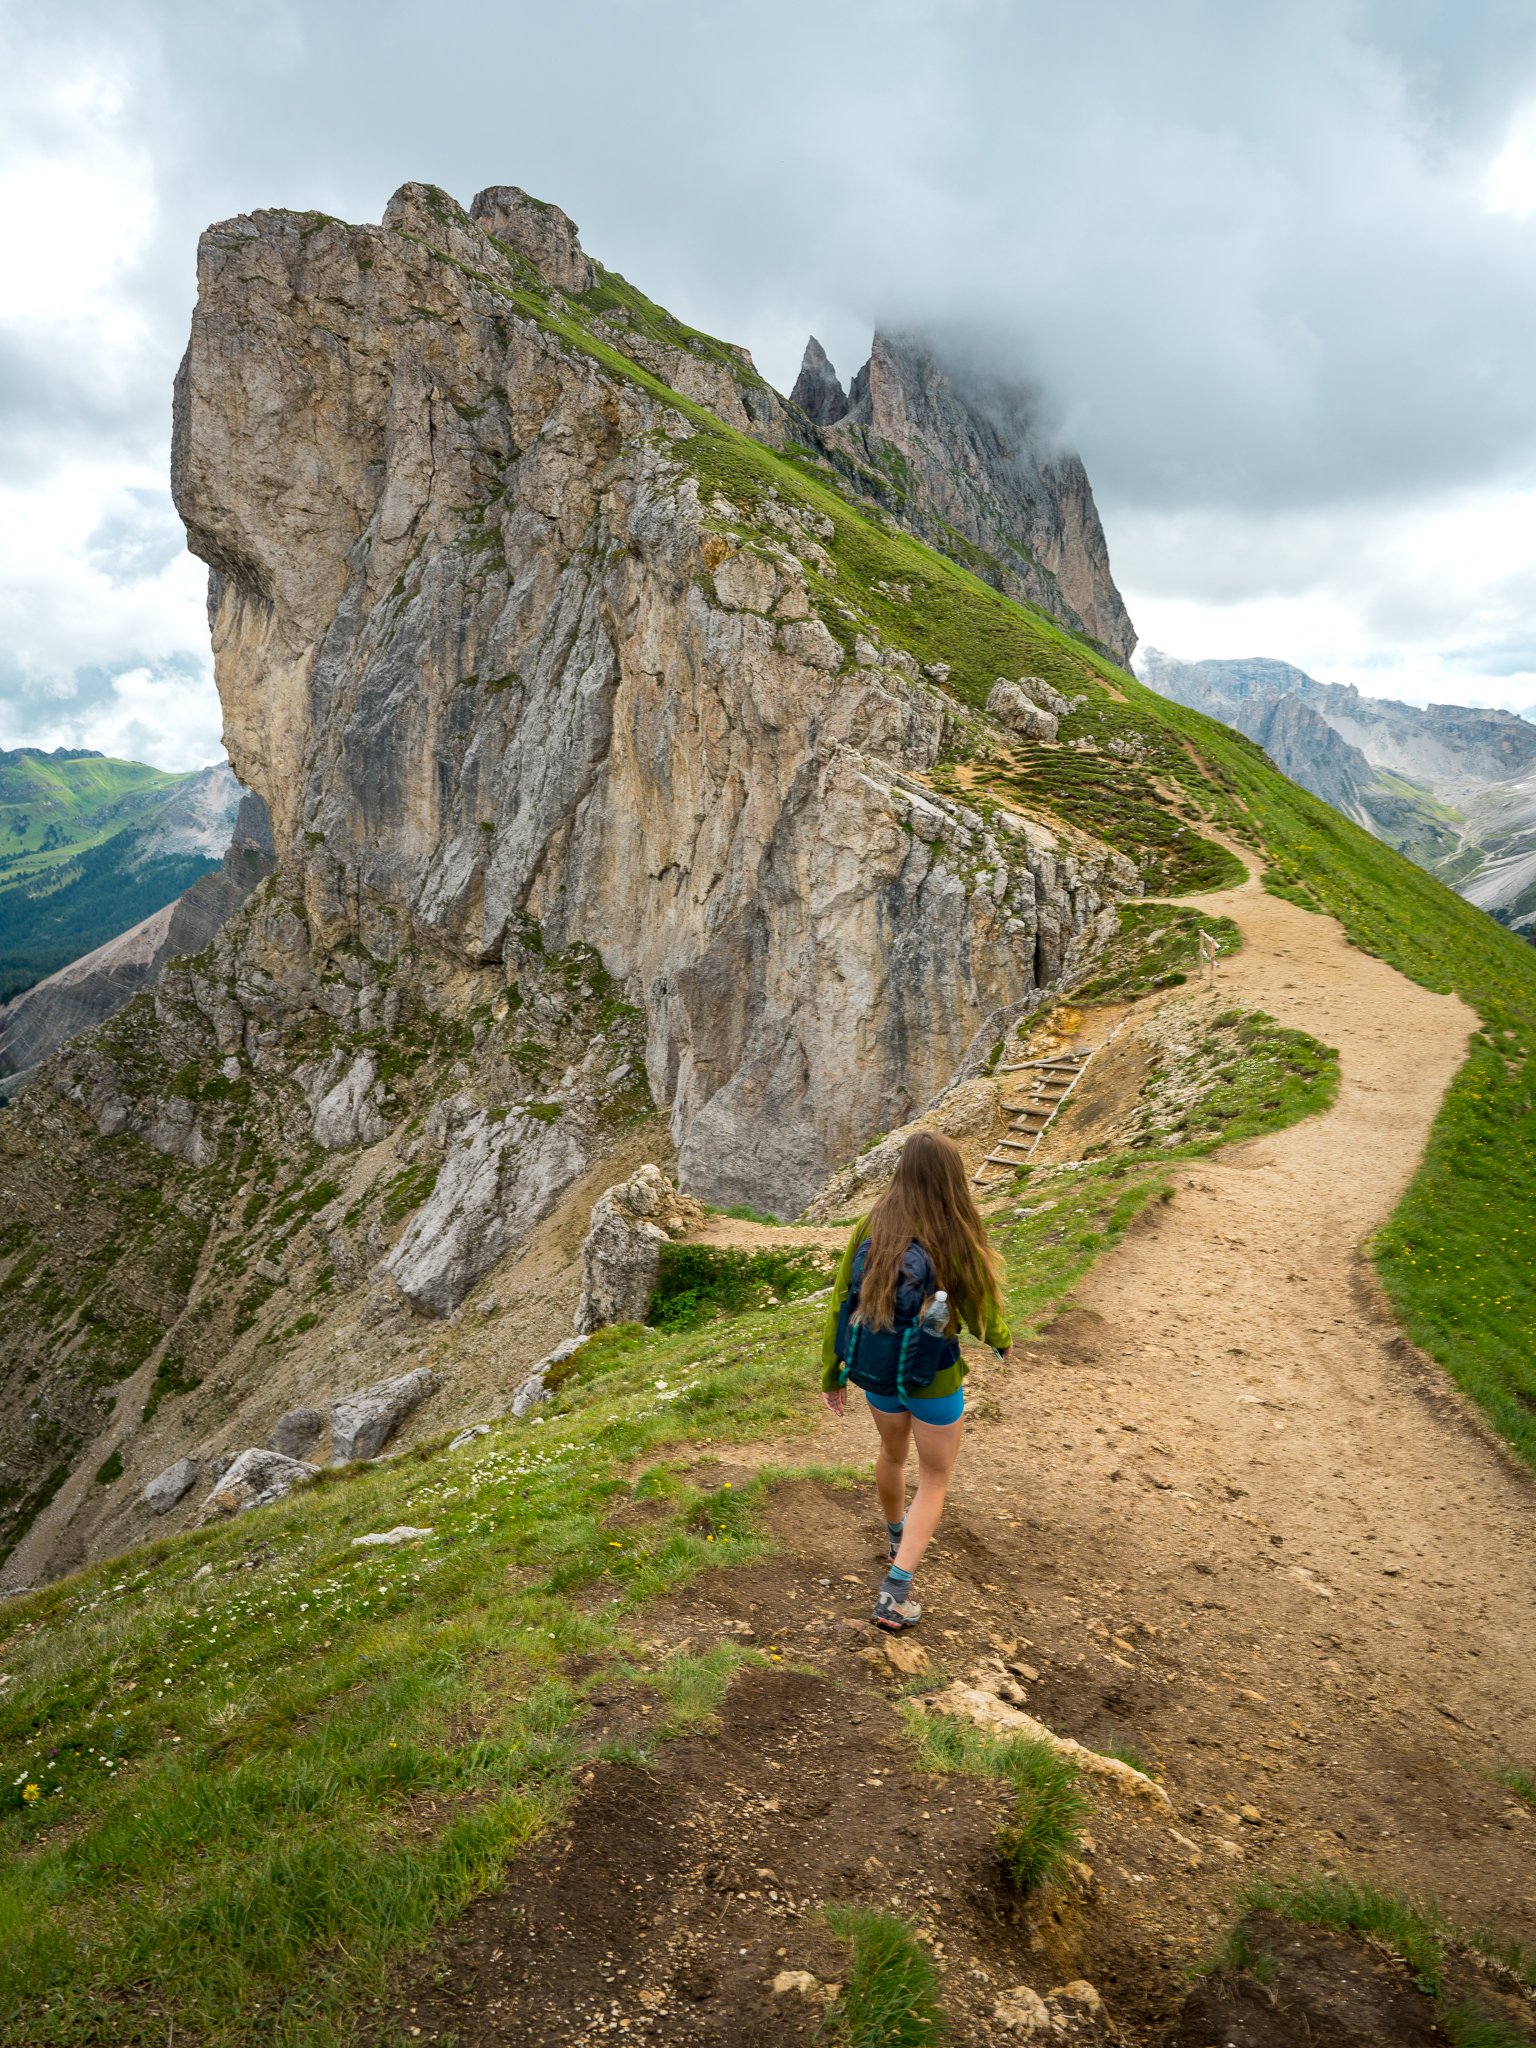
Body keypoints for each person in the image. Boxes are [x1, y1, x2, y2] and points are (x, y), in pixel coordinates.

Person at [820, 1129, 1012, 1632]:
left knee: (891, 1455)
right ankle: (895, 1593)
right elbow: (982, 1309)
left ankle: (894, 1536)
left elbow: (842, 1301)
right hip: (934, 1376)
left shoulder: (872, 1224)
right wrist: (1000, 1340)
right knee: (934, 1478)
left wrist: (832, 1371)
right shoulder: (955, 1230)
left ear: (901, 1171)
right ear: (951, 1178)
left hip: (877, 1370)